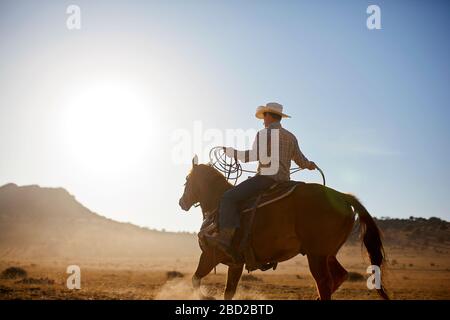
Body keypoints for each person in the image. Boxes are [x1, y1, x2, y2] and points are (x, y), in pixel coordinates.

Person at [204, 102, 317, 258]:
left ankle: (225, 237)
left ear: (269, 116)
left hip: (265, 179)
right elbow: (301, 160)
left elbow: (253, 155)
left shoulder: (264, 134)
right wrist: (310, 165)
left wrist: (231, 152)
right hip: (284, 182)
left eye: (264, 116)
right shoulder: (291, 137)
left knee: (228, 197)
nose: (263, 120)